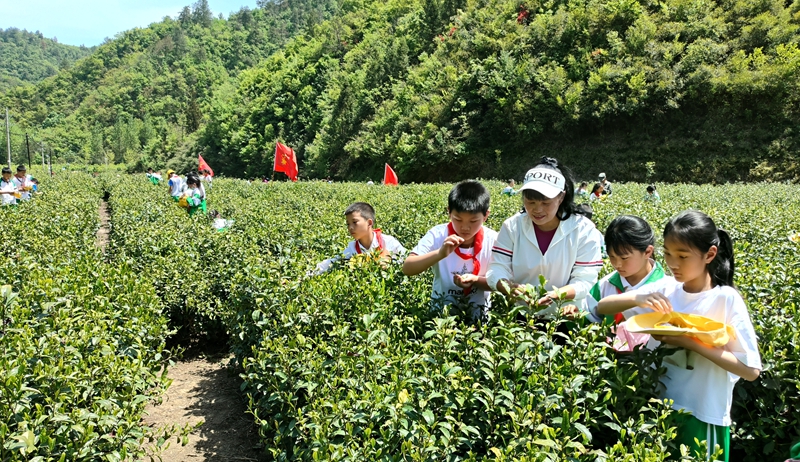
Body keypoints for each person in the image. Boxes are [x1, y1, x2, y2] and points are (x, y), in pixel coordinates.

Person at [596, 210, 761, 461]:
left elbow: (750, 371)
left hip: (702, 413)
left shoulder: (725, 299)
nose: (673, 263)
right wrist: (638, 297)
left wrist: (689, 341)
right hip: (659, 409)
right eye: (668, 254)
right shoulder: (666, 289)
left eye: (683, 256)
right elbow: (603, 306)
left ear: (710, 255)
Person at [486, 156, 604, 317]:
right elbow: (496, 268)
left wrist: (557, 295)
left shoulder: (582, 229)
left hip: (565, 317)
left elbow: (585, 279)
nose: (537, 210)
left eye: (546, 203)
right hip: (522, 315)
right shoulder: (513, 226)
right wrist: (508, 287)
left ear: (561, 197)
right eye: (531, 202)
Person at [403, 180, 499, 320]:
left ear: (486, 215)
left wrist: (476, 280)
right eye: (458, 219)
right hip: (440, 318)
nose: (465, 227)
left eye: (473, 221)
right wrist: (440, 254)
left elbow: (503, 282)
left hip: (479, 318)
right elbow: (408, 268)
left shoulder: (493, 240)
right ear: (449, 212)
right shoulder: (437, 235)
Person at [585, 215, 666, 351]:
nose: (617, 264)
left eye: (624, 258)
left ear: (647, 252)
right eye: (612, 257)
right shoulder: (605, 285)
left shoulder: (666, 287)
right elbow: (588, 320)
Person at [315, 202, 406, 273]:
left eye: (355, 222)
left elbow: (407, 260)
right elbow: (331, 263)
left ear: (369, 223)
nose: (350, 227)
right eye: (348, 224)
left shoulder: (389, 242)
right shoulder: (351, 249)